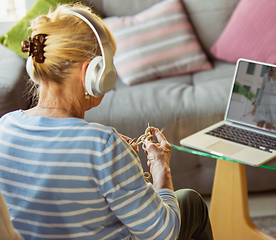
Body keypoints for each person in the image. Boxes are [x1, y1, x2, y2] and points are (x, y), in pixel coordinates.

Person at [0, 4, 212, 240]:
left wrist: (122, 166)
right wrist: (162, 171)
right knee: (190, 202)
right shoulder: (104, 146)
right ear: (94, 73)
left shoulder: (4, 127)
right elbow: (164, 233)